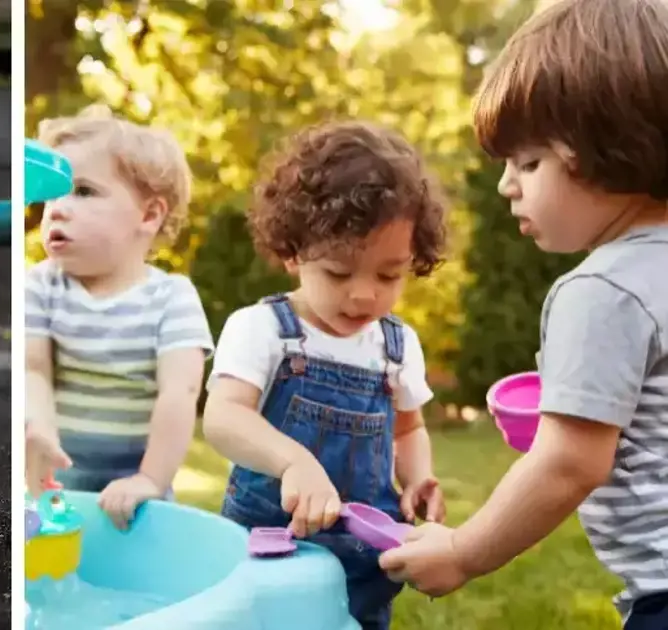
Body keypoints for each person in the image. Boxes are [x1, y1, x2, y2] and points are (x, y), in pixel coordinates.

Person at [379, 1, 668, 628]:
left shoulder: (603, 288)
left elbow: (570, 461)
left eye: (529, 162)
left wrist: (461, 551)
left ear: (611, 150)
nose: (508, 184)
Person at [202, 120, 449, 630]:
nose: (364, 296)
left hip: (361, 561)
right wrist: (293, 461)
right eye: (338, 272)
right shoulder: (263, 329)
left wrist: (418, 476)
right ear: (293, 252)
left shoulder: (396, 346)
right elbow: (224, 418)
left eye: (389, 274)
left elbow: (408, 427)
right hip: (269, 550)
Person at [24, 105, 213, 529]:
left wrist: (150, 478)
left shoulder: (171, 297)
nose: (56, 208)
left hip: (138, 484)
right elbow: (33, 370)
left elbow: (179, 393)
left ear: (149, 215)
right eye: (52, 193)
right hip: (54, 478)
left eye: (84, 191)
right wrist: (38, 429)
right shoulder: (39, 287)